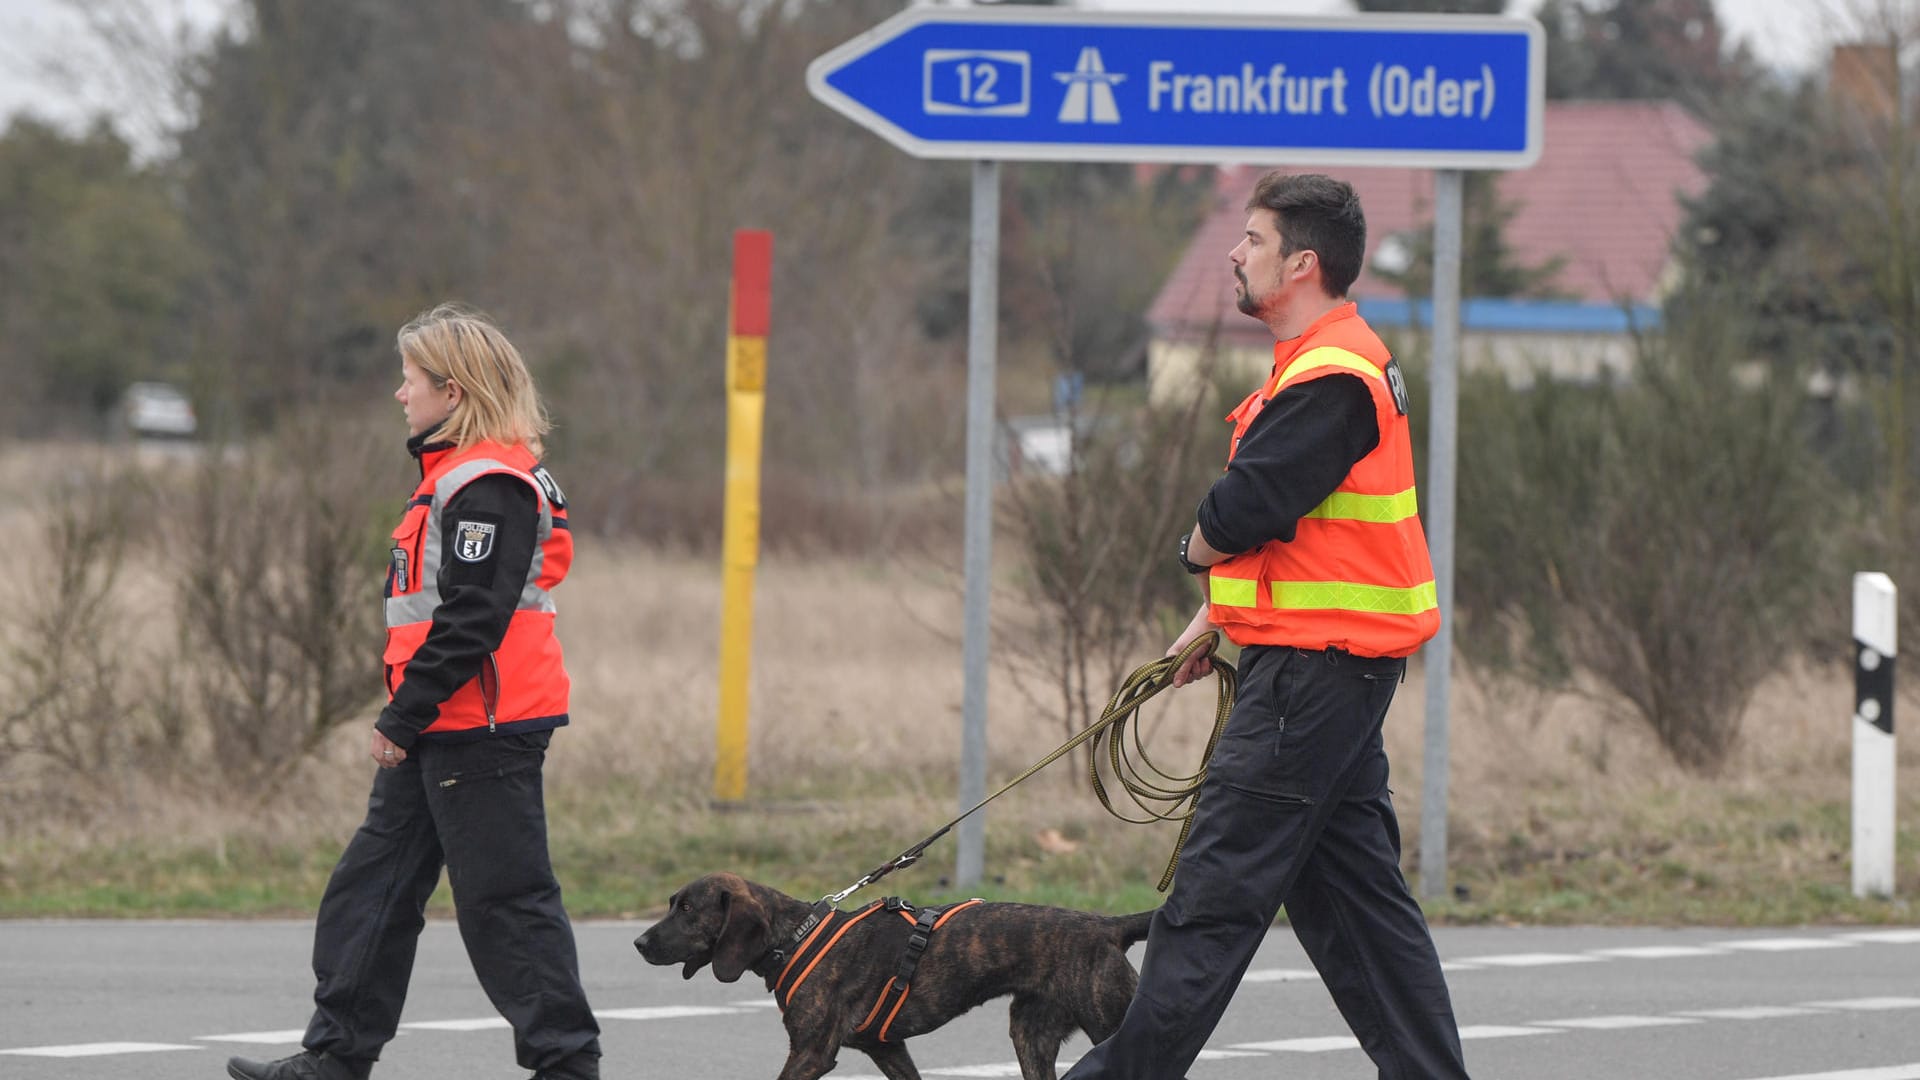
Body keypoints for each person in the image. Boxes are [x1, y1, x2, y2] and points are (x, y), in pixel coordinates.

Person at [1063, 173, 1469, 1080]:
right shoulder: (1327, 362)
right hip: (1330, 677)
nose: (1234, 255)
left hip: (1309, 689)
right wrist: (1219, 617)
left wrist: (1194, 554)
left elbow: (1245, 508)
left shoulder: (1334, 379)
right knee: (1364, 916)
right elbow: (1309, 535)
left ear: (1302, 263)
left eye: (1251, 239)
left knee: (1209, 910)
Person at [228, 304, 602, 1080]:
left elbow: (474, 618)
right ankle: (335, 1058)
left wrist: (404, 713)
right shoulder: (452, 476)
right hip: (443, 722)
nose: (401, 396)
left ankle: (568, 1067)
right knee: (373, 888)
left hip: (483, 726)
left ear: (454, 393)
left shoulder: (490, 484)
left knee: (506, 905)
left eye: (411, 382)